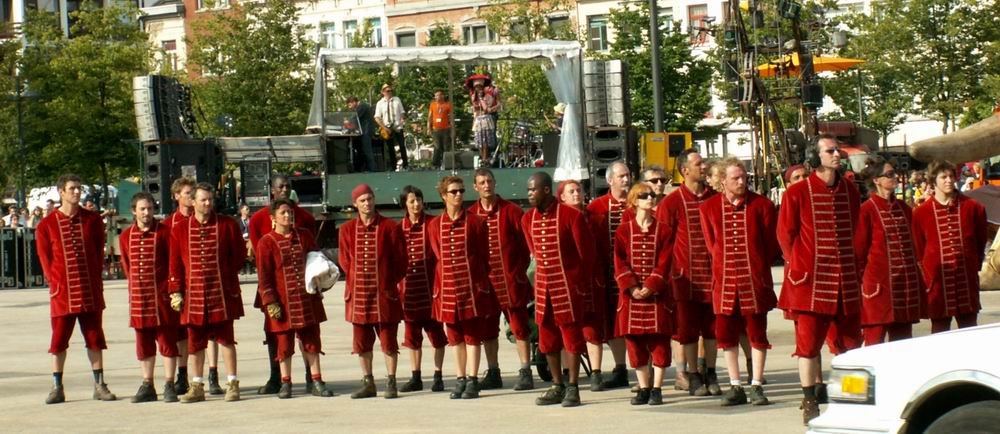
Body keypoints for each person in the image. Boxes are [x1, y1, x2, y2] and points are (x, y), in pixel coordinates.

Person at [777, 134, 863, 425]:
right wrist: (797, 266)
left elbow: (853, 227)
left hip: (844, 281)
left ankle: (852, 399)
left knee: (851, 345)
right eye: (830, 150)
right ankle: (809, 399)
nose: (836, 154)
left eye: (836, 149)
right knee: (808, 346)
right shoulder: (797, 192)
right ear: (816, 157)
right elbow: (785, 235)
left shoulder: (850, 190)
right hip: (811, 282)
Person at [700, 157, 779, 407]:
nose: (742, 181)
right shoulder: (709, 208)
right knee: (727, 337)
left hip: (754, 282)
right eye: (736, 178)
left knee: (757, 335)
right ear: (723, 180)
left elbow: (770, 246)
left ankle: (756, 383)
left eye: (744, 177)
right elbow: (711, 245)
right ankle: (735, 385)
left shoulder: (762, 205)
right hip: (724, 284)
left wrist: (755, 265)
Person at [35, 174, 115, 404]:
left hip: (90, 289)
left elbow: (99, 252)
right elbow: (44, 257)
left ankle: (100, 384)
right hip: (63, 293)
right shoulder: (46, 224)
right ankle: (57, 386)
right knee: (59, 340)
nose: (77, 192)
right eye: (72, 189)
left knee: (95, 338)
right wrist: (54, 283)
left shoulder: (92, 220)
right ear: (61, 192)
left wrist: (96, 279)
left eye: (79, 188)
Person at [168, 183, 247, 403]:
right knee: (195, 344)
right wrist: (175, 290)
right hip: (193, 295)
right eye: (203, 199)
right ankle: (197, 385)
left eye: (210, 199)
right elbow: (175, 263)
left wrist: (225, 275)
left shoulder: (227, 225)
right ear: (192, 201)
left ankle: (232, 383)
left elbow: (239, 255)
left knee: (226, 340)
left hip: (221, 293)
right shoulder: (180, 229)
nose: (208, 203)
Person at [522, 172, 595, 407]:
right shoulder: (528, 219)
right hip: (543, 289)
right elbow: (534, 253)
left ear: (545, 190)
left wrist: (579, 286)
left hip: (568, 288)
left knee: (572, 339)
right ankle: (557, 384)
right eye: (528, 190)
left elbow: (586, 254)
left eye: (533, 190)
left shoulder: (570, 216)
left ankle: (573, 386)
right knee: (548, 339)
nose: (530, 194)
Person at [427, 176, 500, 400]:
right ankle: (459, 378)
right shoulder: (434, 225)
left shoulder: (476, 222)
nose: (459, 195)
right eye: (453, 192)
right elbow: (437, 255)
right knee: (455, 338)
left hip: (471, 288)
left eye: (461, 191)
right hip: (448, 288)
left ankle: (473, 379)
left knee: (472, 337)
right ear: (443, 196)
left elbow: (484, 256)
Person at [657, 148, 721, 396]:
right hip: (685, 279)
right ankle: (692, 374)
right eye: (698, 164)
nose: (703, 167)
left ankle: (711, 372)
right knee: (688, 331)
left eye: (703, 163)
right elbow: (662, 242)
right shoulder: (672, 202)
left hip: (714, 275)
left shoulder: (715, 198)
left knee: (713, 330)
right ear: (685, 171)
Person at [255, 198, 333, 399]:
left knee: (312, 341)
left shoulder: (304, 236)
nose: (288, 216)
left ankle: (316, 380)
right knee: (284, 345)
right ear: (273, 218)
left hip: (306, 298)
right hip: (282, 301)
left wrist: (320, 280)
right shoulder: (266, 242)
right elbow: (264, 277)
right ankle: (285, 382)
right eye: (283, 213)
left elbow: (316, 260)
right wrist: (270, 301)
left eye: (290, 212)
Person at [248, 174, 319, 395]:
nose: (285, 189)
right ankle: (276, 377)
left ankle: (312, 377)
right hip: (274, 287)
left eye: (288, 186)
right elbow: (257, 257)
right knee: (276, 335)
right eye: (281, 186)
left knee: (308, 334)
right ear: (272, 189)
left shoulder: (305, 219)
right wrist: (269, 296)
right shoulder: (258, 219)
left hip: (302, 288)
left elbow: (312, 257)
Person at [338, 184, 407, 399]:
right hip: (359, 296)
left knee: (388, 342)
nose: (367, 204)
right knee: (362, 343)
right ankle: (368, 382)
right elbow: (345, 261)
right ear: (355, 204)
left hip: (384, 295)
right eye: (362, 200)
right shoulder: (347, 230)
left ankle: (391, 381)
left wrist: (386, 281)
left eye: (370, 199)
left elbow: (400, 261)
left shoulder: (389, 227)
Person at [468, 168, 535, 391]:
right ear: (475, 187)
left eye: (489, 181)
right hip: (484, 283)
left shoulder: (512, 211)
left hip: (510, 280)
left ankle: (525, 370)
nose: (486, 185)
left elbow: (526, 246)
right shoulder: (470, 215)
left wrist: (517, 272)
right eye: (481, 182)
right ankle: (493, 370)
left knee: (519, 326)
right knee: (487, 329)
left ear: (495, 183)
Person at [613, 183, 673, 406]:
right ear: (635, 201)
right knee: (635, 344)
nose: (650, 198)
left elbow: (665, 262)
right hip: (631, 297)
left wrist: (651, 284)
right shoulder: (623, 230)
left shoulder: (664, 230)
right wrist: (631, 286)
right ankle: (643, 387)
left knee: (659, 342)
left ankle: (657, 388)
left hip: (656, 296)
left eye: (652, 195)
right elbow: (619, 261)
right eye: (644, 196)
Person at [912, 160, 988, 333]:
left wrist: (972, 267)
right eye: (943, 177)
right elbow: (918, 249)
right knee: (939, 332)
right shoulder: (921, 213)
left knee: (969, 330)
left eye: (951, 176)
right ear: (933, 181)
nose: (948, 180)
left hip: (965, 281)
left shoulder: (973, 208)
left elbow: (980, 241)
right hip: (938, 284)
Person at [854, 157, 923, 345]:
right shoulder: (866, 210)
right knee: (873, 342)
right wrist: (862, 284)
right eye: (890, 175)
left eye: (895, 174)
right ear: (877, 180)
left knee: (902, 343)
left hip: (904, 286)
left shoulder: (903, 208)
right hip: (878, 288)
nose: (895, 178)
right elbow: (858, 252)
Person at [120, 192, 181, 403]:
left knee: (167, 343)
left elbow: (173, 263)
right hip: (139, 298)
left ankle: (169, 383)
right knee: (143, 345)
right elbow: (128, 268)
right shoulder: (125, 236)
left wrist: (172, 291)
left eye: (150, 208)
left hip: (161, 298)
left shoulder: (165, 232)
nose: (147, 213)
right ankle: (147, 384)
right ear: (134, 211)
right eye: (142, 209)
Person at [556, 180, 607, 392]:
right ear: (562, 197)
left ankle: (596, 372)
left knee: (592, 326)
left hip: (591, 276)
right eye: (571, 191)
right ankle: (567, 371)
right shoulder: (557, 219)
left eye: (578, 190)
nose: (577, 194)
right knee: (565, 327)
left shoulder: (594, 218)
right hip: (565, 281)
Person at [584, 160, 631, 391]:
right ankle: (620, 368)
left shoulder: (638, 203)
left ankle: (647, 369)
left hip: (634, 277)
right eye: (621, 176)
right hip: (608, 277)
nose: (625, 179)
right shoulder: (597, 207)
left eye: (627, 175)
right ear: (610, 180)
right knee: (612, 325)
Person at [396, 185, 447, 393]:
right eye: (411, 201)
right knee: (412, 337)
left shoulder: (433, 223)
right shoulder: (398, 228)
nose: (416, 204)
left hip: (430, 290)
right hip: (409, 291)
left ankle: (438, 375)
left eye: (418, 200)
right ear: (404, 205)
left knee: (437, 336)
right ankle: (416, 376)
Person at [161, 177, 195, 394]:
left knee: (203, 334)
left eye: (193, 193)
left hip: (198, 285)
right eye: (187, 193)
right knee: (179, 334)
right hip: (176, 287)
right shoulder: (167, 225)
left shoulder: (203, 219)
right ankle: (181, 376)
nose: (191, 197)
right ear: (176, 196)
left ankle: (210, 375)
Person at [374, 84, 408, 171]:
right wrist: (384, 128)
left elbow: (402, 112)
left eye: (391, 91)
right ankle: (393, 167)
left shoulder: (397, 100)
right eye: (387, 91)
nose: (390, 92)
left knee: (402, 146)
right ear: (383, 92)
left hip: (397, 126)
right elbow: (377, 117)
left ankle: (405, 165)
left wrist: (402, 120)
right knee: (390, 148)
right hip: (387, 127)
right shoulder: (380, 103)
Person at [471, 79, 499, 167]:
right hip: (478, 119)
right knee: (480, 141)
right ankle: (482, 158)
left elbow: (486, 108)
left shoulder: (487, 96)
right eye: (476, 88)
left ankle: (486, 159)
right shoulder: (474, 96)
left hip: (486, 119)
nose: (478, 89)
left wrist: (482, 100)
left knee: (486, 140)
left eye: (479, 87)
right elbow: (475, 109)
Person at [347, 96, 377, 172]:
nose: (349, 107)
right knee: (362, 151)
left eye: (350, 105)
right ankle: (363, 168)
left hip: (366, 132)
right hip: (363, 132)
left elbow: (355, 117)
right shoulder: (361, 107)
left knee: (367, 151)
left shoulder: (362, 106)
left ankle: (372, 169)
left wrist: (347, 121)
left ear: (354, 102)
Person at [427, 90, 453, 169]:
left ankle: (447, 164)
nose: (437, 97)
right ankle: (435, 164)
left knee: (445, 147)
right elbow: (430, 117)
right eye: (436, 95)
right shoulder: (432, 105)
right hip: (436, 129)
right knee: (437, 147)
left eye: (439, 95)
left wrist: (452, 128)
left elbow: (451, 117)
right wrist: (428, 128)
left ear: (442, 96)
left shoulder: (448, 105)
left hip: (445, 129)